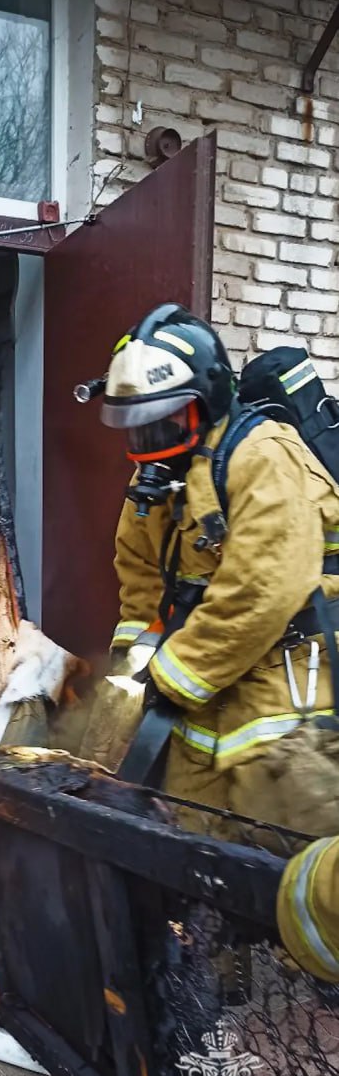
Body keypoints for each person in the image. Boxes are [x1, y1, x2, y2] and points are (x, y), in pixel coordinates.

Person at [102, 302, 339, 830]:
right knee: (189, 823)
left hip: (286, 681)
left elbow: (263, 590)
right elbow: (140, 578)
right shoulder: (157, 481)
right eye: (137, 429)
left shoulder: (263, 457)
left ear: (204, 404)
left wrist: (172, 674)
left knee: (277, 838)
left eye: (163, 424)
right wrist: (132, 662)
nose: (149, 444)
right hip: (202, 685)